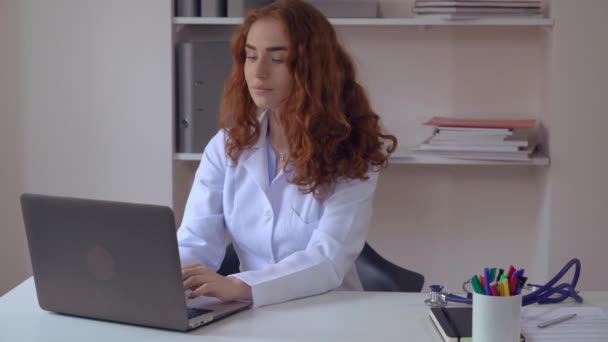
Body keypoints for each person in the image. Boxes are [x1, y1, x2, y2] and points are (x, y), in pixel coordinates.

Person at [178, 0, 397, 308]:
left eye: (277, 59)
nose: (259, 71)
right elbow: (195, 241)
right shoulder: (226, 146)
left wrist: (238, 286)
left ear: (313, 68)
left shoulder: (354, 153)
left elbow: (327, 258)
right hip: (249, 314)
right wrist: (168, 280)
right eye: (251, 56)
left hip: (328, 312)